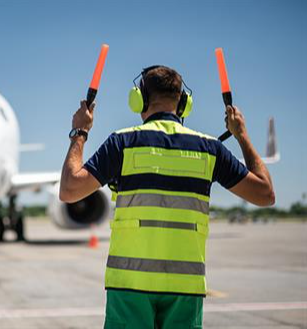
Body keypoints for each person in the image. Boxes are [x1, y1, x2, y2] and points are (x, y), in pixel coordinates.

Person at [59, 65, 274, 328]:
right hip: (185, 287)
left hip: (129, 286)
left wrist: (80, 132)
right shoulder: (210, 149)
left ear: (139, 99)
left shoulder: (122, 143)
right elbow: (265, 194)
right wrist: (242, 135)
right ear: (184, 103)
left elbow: (69, 190)